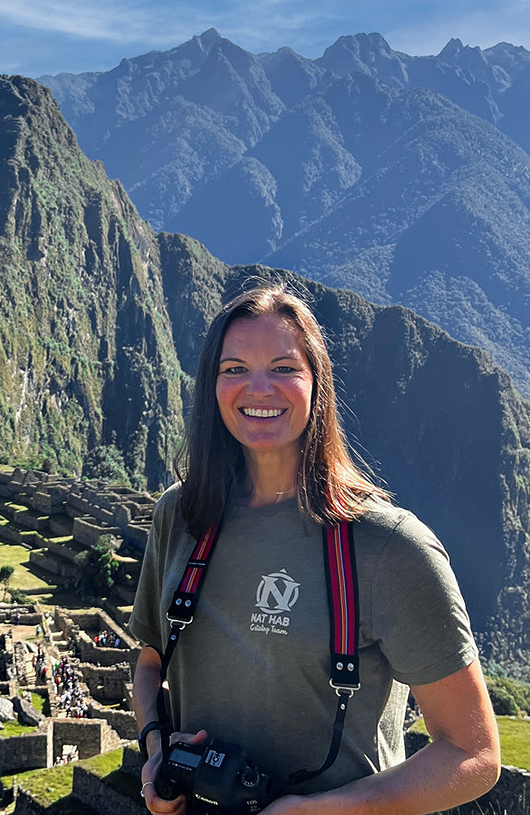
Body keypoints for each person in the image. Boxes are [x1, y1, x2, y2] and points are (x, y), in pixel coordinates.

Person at [128, 286, 499, 814]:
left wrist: (320, 810)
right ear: (211, 386)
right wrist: (156, 750)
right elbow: (148, 664)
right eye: (234, 369)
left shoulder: (389, 547)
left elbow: (474, 754)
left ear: (316, 384)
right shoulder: (182, 517)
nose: (258, 388)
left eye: (283, 367)